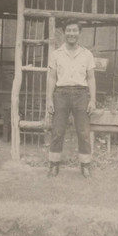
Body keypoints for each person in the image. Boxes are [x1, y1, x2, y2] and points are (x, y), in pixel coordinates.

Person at [47, 19, 96, 178]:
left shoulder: (87, 54)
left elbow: (91, 78)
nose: (71, 33)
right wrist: (49, 99)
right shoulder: (56, 54)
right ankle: (54, 165)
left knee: (83, 132)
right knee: (58, 131)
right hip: (61, 94)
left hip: (81, 94)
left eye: (75, 30)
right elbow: (52, 77)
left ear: (79, 33)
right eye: (68, 30)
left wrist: (92, 99)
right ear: (64, 32)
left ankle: (85, 165)